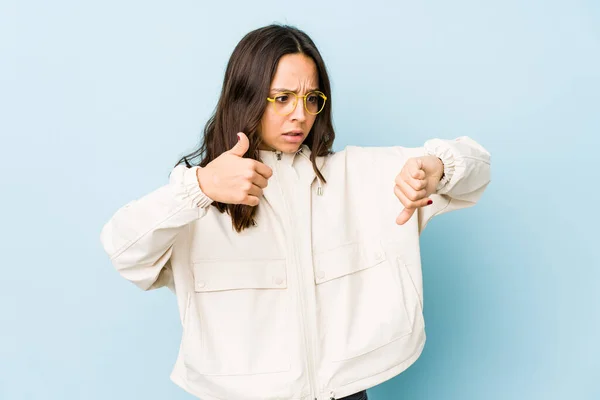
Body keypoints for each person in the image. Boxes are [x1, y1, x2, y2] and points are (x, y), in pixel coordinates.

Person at [100, 24, 491, 400]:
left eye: (311, 99)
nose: (300, 115)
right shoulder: (198, 194)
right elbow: (124, 250)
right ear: (245, 97)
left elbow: (478, 164)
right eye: (282, 97)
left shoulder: (355, 175)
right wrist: (198, 188)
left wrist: (435, 168)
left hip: (347, 392)